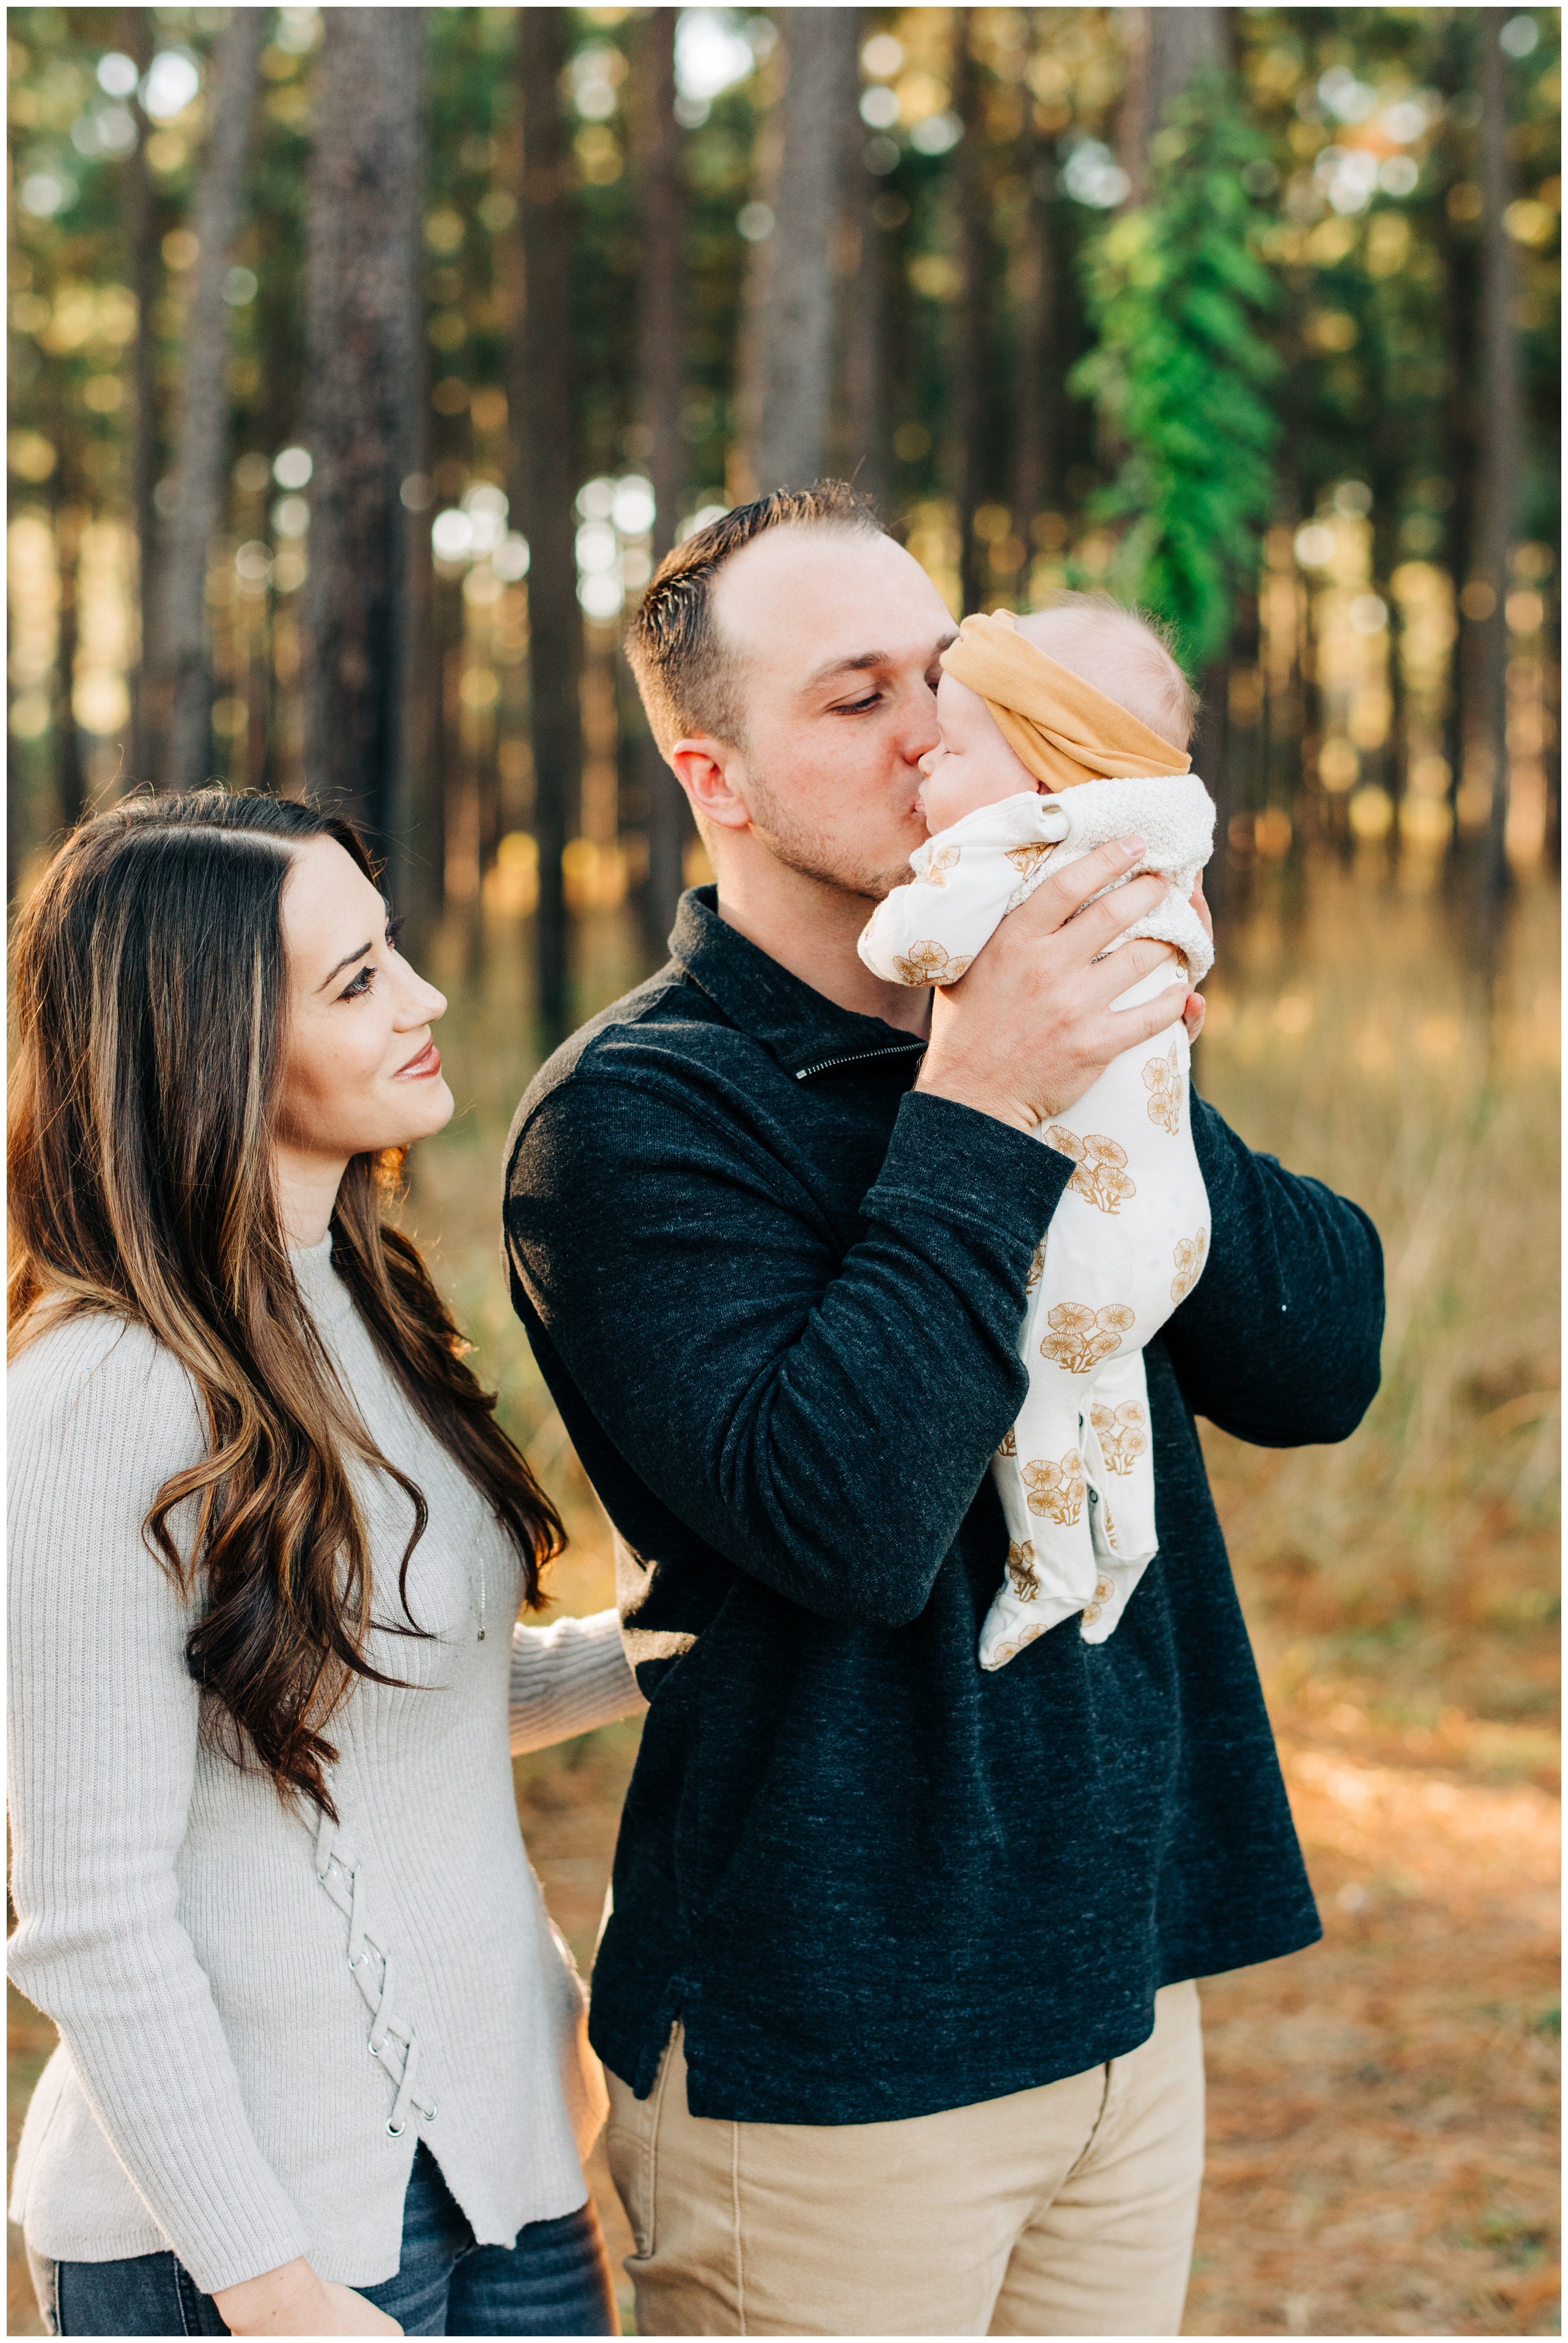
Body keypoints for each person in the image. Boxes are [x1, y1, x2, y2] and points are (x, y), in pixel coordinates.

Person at [504, 484, 1383, 2337]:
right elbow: (848, 1521)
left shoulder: (1049, 996)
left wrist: (1128, 1053)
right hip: (828, 2037)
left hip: (1120, 1972)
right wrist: (981, 1099)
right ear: (717, 776)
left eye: (941, 667)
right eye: (851, 698)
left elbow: (1311, 1366)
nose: (933, 735)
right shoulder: (638, 1114)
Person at [8, 792, 644, 2339]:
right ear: (206, 1044)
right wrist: (267, 2284)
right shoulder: (95, 1400)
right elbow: (88, 1909)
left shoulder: (363, 1294)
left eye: (395, 953)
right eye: (357, 982)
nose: (425, 1000)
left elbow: (364, 1711)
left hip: (500, 2173)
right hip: (249, 2233)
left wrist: (647, 1659)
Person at [858, 599, 1216, 1666]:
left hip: (1091, 1234)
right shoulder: (1159, 858)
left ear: (1049, 771)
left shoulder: (1025, 850)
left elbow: (902, 949)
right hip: (1174, 1224)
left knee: (1034, 1402)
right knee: (1112, 1381)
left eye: (953, 742)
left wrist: (917, 891)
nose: (922, 747)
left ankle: (1053, 1574)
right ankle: (1132, 1553)